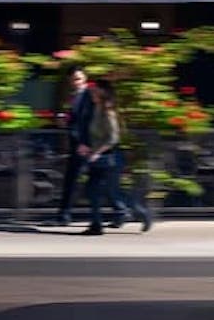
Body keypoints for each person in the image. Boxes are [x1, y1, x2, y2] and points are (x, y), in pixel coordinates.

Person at [80, 81, 152, 235]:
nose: (92, 94)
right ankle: (96, 225)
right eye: (92, 92)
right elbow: (94, 135)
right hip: (97, 157)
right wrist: (87, 147)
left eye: (95, 92)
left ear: (103, 93)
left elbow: (113, 138)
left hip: (110, 158)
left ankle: (142, 213)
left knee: (113, 192)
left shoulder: (108, 112)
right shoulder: (95, 109)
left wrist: (97, 152)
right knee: (92, 190)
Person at [51, 67, 97, 226]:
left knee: (76, 180)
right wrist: (64, 120)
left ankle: (64, 215)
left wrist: (85, 143)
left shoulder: (89, 95)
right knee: (74, 180)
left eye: (78, 78)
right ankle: (64, 215)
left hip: (85, 144)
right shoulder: (73, 97)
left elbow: (89, 121)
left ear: (85, 78)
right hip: (77, 143)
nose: (76, 81)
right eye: (73, 79)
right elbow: (75, 119)